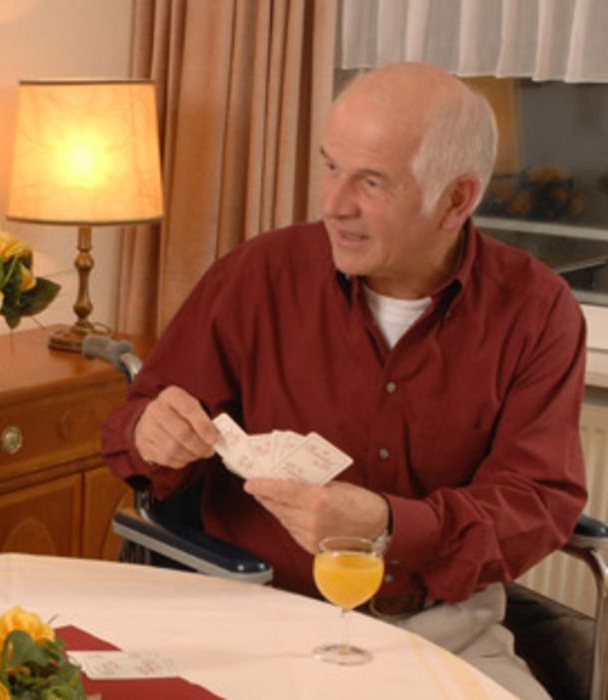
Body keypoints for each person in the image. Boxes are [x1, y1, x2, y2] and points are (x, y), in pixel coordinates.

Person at [101, 63, 586, 699]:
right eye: (331, 167)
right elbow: (134, 432)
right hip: (253, 611)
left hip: (441, 628)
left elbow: (536, 500)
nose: (334, 204)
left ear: (456, 199)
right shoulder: (258, 275)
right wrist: (150, 433)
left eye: (372, 182)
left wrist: (390, 526)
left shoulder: (537, 310)